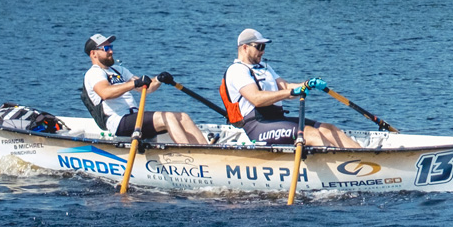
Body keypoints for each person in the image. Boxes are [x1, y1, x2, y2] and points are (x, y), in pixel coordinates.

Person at [223, 29, 360, 149]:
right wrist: (290, 92)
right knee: (310, 134)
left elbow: (286, 87)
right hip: (257, 125)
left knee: (328, 129)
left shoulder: (264, 67)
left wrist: (307, 84)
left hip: (277, 120)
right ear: (245, 47)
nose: (262, 51)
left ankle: (363, 158)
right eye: (259, 47)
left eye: (264, 47)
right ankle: (340, 164)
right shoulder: (237, 70)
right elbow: (256, 98)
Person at [81, 33, 208, 146]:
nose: (111, 51)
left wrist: (158, 79)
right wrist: (134, 83)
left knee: (184, 117)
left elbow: (146, 88)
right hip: (118, 121)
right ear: (93, 53)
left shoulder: (118, 70)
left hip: (134, 117)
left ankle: (206, 151)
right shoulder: (94, 73)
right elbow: (105, 93)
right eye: (106, 48)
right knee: (168, 117)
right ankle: (189, 154)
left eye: (111, 47)